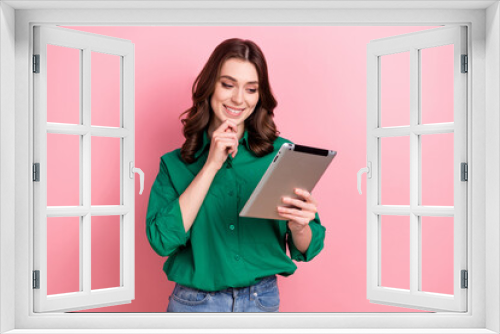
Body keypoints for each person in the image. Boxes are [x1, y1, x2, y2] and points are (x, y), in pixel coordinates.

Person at [146, 38, 326, 313]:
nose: (239, 99)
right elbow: (162, 241)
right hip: (195, 306)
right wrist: (210, 166)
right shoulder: (174, 164)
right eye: (228, 84)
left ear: (259, 95)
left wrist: (300, 226)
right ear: (209, 86)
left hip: (261, 302)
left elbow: (309, 247)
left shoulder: (282, 155)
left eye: (251, 89)